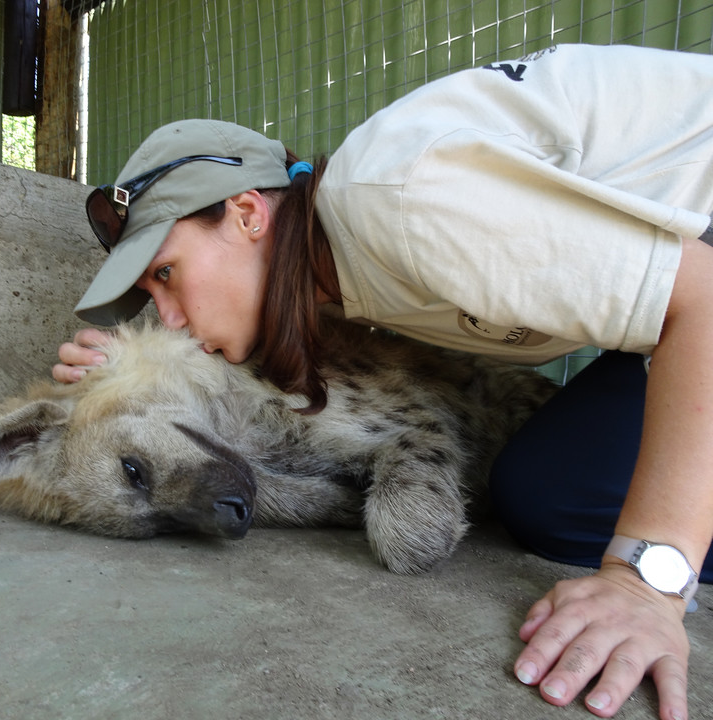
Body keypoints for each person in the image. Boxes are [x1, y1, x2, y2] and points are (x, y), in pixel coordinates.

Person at [56, 44, 713, 719]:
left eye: (166, 275)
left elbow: (704, 302)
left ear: (249, 214)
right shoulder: (335, 262)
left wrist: (645, 587)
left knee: (560, 497)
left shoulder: (400, 202)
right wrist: (128, 376)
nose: (169, 321)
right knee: (551, 487)